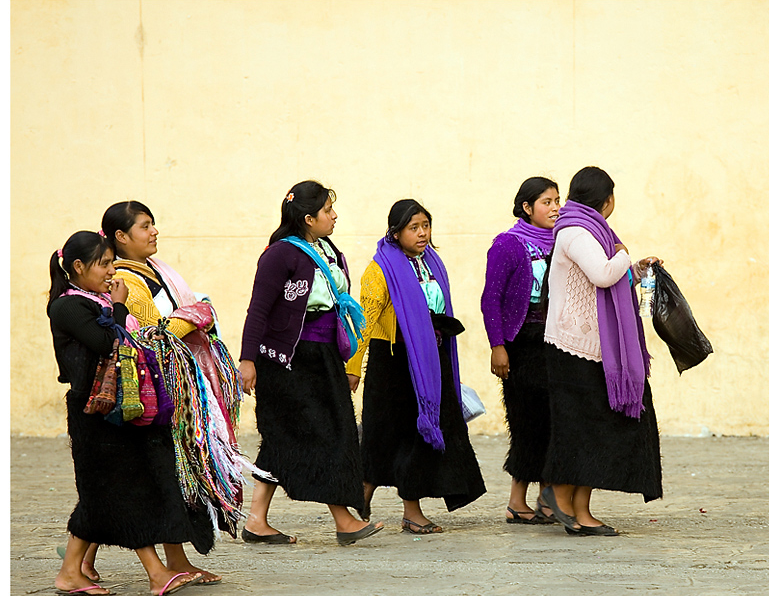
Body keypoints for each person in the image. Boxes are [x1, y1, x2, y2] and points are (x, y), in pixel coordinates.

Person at [99, 199, 249, 584]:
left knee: (166, 474)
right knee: (162, 474)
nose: (154, 232)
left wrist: (195, 314)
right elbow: (156, 334)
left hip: (175, 386)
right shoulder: (128, 281)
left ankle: (84, 561)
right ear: (121, 236)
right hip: (160, 391)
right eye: (145, 226)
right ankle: (91, 562)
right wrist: (195, 315)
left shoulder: (155, 272)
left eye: (153, 224)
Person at [48, 231, 204, 596]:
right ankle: (155, 573)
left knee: (103, 492)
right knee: (118, 489)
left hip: (118, 408)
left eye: (110, 262)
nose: (110, 270)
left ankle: (72, 571)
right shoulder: (68, 306)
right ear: (78, 267)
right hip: (93, 410)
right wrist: (119, 306)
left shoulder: (97, 299)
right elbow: (107, 342)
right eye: (103, 264)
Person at [238, 180, 383, 546]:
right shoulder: (280, 255)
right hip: (288, 361)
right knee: (324, 434)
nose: (334, 216)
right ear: (307, 218)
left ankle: (256, 520)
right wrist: (248, 359)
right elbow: (258, 310)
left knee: (284, 438)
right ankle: (343, 520)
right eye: (327, 211)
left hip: (323, 356)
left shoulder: (326, 250)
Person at [347, 199, 486, 534]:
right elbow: (363, 321)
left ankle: (381, 497)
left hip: (428, 359)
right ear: (395, 233)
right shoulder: (380, 269)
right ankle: (390, 501)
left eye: (426, 225)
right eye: (414, 227)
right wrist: (354, 367)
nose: (423, 233)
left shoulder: (432, 263)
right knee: (394, 435)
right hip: (393, 362)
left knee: (405, 436)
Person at [538, 167, 664, 536]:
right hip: (572, 348)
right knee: (582, 431)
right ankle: (559, 494)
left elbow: (610, 276)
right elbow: (605, 274)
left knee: (593, 430)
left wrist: (636, 269)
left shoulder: (591, 231)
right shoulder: (577, 231)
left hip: (595, 350)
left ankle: (581, 511)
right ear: (606, 200)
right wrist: (625, 255)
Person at [480, 177, 561, 525]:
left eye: (558, 200)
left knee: (552, 420)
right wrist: (498, 347)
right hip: (522, 343)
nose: (555, 207)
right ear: (527, 208)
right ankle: (516, 500)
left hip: (555, 342)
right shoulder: (508, 244)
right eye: (546, 201)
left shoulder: (563, 241)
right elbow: (491, 299)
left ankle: (546, 499)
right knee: (526, 421)